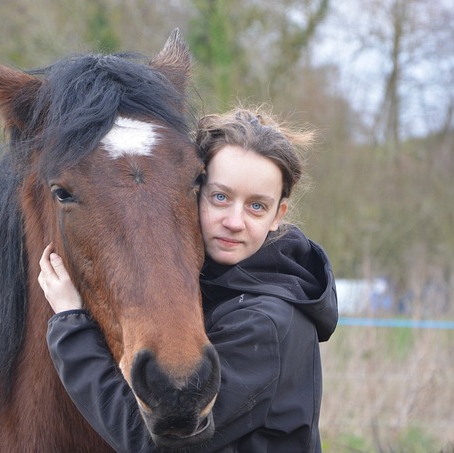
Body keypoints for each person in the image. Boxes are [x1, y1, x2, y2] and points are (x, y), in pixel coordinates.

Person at [38, 106, 338, 452]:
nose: (234, 221)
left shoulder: (266, 323)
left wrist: (69, 323)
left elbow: (154, 445)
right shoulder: (226, 284)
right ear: (192, 193)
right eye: (220, 197)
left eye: (256, 206)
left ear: (277, 216)